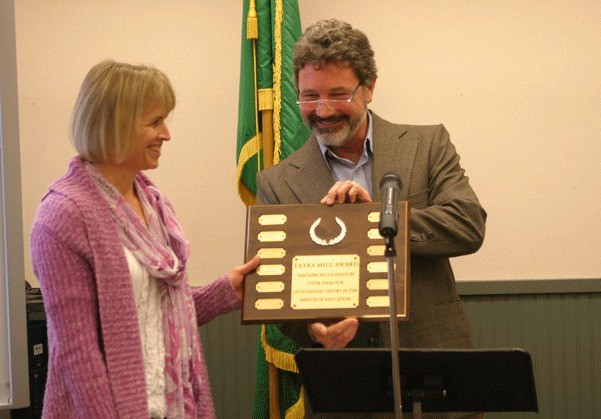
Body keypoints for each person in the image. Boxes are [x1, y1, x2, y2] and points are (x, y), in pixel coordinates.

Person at [255, 19, 487, 417]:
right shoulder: (276, 182)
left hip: (434, 379)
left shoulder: (426, 145)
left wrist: (377, 220)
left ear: (370, 87)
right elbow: (277, 289)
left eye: (338, 94)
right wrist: (313, 328)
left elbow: (467, 224)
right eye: (309, 97)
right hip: (344, 390)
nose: (323, 111)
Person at [30, 60, 259, 418]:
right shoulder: (63, 216)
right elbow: (78, 352)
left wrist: (225, 290)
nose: (166, 134)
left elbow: (155, 313)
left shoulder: (153, 204)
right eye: (155, 122)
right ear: (115, 125)